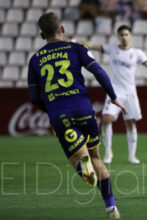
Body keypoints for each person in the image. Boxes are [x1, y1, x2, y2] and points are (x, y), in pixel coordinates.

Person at [28, 12, 125, 218]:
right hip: (84, 109)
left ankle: (84, 170)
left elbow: (34, 96)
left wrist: (50, 109)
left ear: (41, 34)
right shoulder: (76, 48)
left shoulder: (35, 60)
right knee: (97, 157)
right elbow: (99, 72)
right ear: (62, 29)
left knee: (81, 162)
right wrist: (114, 97)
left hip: (60, 115)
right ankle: (111, 208)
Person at [78, 25, 147, 164]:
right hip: (115, 91)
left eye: (126, 34)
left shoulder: (137, 53)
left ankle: (132, 156)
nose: (124, 37)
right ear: (118, 36)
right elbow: (92, 45)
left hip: (130, 92)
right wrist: (74, 41)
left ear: (131, 36)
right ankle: (108, 152)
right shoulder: (112, 49)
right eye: (121, 34)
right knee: (106, 119)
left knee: (130, 123)